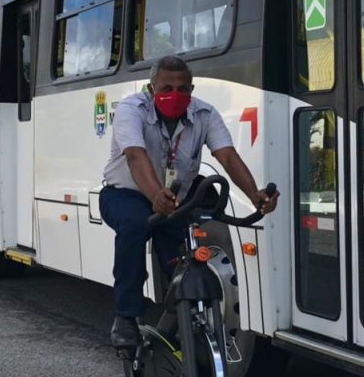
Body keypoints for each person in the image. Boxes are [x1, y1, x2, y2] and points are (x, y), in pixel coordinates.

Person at [99, 55, 279, 349]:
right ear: (152, 87)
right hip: (126, 194)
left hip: (171, 201)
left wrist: (254, 194)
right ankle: (126, 318)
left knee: (181, 264)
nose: (176, 94)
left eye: (183, 88)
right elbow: (135, 155)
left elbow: (228, 156)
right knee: (134, 225)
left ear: (192, 89)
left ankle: (184, 323)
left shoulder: (204, 114)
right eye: (167, 87)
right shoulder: (132, 110)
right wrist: (156, 195)